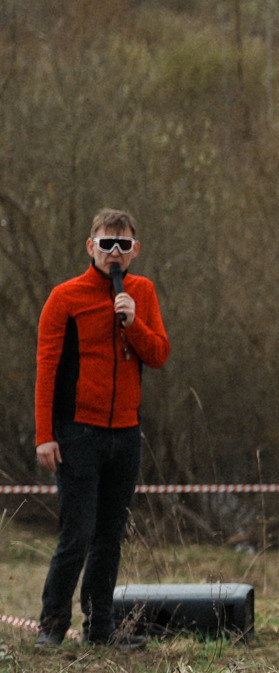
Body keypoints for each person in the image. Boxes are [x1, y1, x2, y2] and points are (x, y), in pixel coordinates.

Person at [31, 209, 169, 650]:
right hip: (77, 432)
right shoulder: (65, 297)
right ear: (90, 247)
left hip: (126, 432)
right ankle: (52, 624)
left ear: (135, 250)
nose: (114, 253)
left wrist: (134, 322)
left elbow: (159, 354)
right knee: (79, 531)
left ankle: (100, 628)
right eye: (107, 244)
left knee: (111, 533)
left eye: (123, 245)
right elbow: (46, 369)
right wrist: (43, 435)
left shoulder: (142, 293)